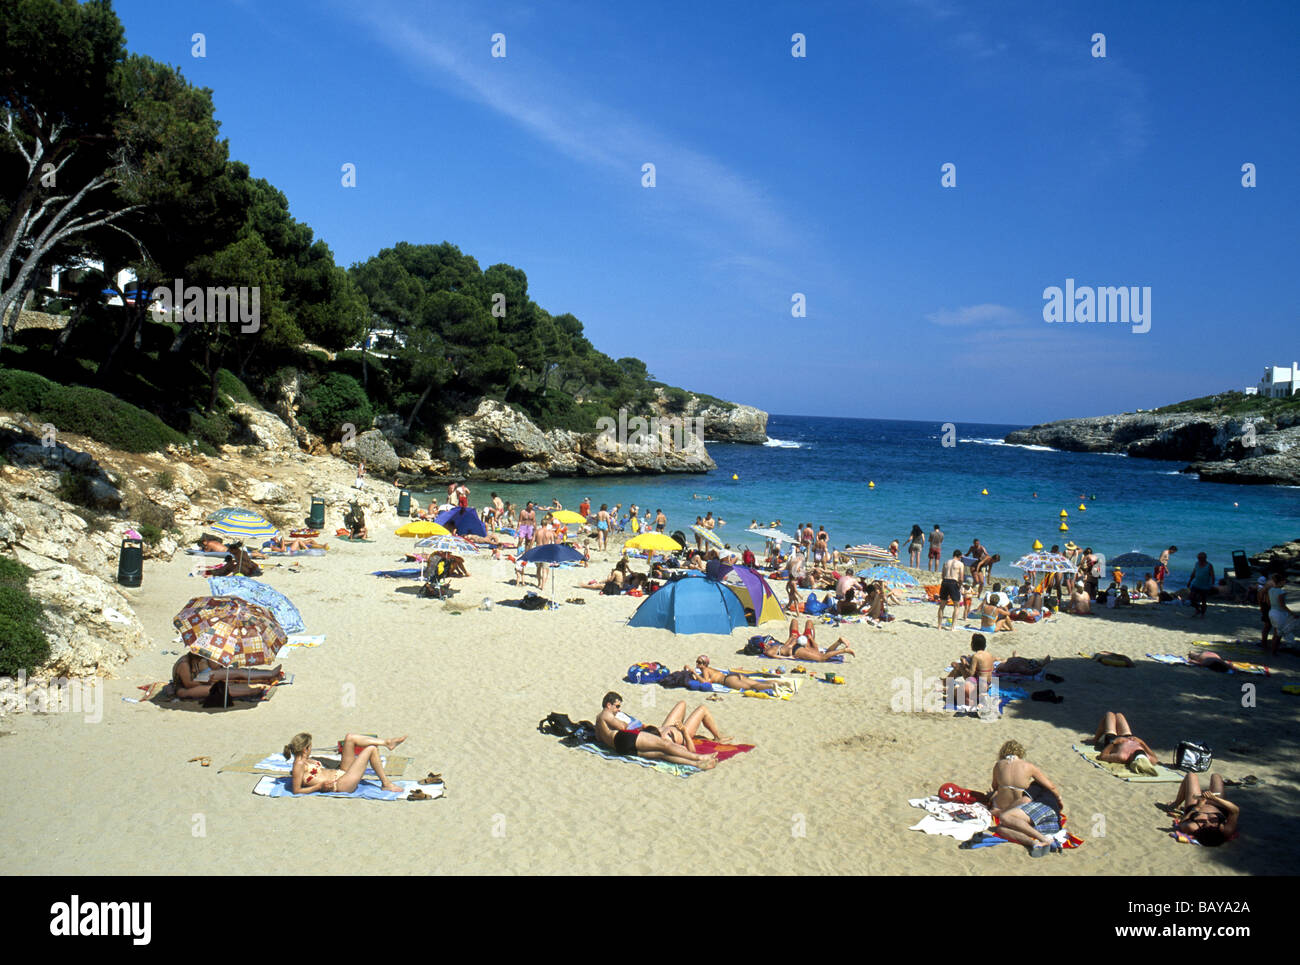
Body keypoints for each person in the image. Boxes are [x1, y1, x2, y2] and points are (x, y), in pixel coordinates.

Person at [595, 692, 717, 768]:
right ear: (608, 705)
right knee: (664, 745)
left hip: (620, 748)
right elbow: (622, 727)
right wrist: (624, 722)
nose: (619, 710)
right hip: (624, 738)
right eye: (617, 706)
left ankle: (696, 764)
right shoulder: (606, 714)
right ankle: (700, 758)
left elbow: (598, 738)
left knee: (661, 754)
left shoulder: (598, 719)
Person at [988, 740, 1066, 856]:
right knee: (1000, 829)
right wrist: (1059, 798)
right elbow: (1051, 786)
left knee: (1004, 820)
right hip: (1022, 809)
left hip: (1005, 807)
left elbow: (994, 786)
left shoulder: (998, 765)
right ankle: (1034, 843)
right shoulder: (1029, 767)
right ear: (1021, 753)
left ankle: (1042, 839)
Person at [285, 732, 406, 794]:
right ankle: (386, 784)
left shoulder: (306, 760)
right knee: (371, 749)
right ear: (305, 748)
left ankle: (386, 742)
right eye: (310, 746)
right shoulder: (299, 765)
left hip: (341, 773)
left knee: (350, 737)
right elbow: (296, 791)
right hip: (340, 785)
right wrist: (319, 787)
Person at [1163, 772, 1239, 845]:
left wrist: (1198, 807)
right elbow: (1235, 810)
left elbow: (1182, 822)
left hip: (1195, 806)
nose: (1210, 823)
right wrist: (1215, 799)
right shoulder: (1225, 830)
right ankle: (1178, 803)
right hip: (1217, 806)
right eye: (1214, 824)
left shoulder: (1193, 827)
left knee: (1191, 775)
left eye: (1205, 824)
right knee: (1216, 776)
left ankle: (1176, 804)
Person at [171, 653, 282, 700]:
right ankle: (251, 691)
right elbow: (188, 684)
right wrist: (207, 681)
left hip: (199, 679)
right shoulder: (184, 664)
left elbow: (213, 668)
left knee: (235, 672)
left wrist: (209, 669)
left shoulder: (198, 660)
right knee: (219, 689)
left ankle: (270, 673)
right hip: (184, 689)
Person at [1086, 711, 1160, 774]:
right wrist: (1142, 743)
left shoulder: (1122, 757)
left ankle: (1095, 740)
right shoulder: (1148, 759)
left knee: (1109, 714)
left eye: (1135, 754)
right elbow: (1155, 758)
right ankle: (1097, 739)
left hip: (1113, 740)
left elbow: (1102, 756)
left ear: (1132, 758)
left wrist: (1114, 743)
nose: (1138, 752)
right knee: (1119, 715)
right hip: (1129, 738)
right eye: (1141, 753)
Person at [946, 633, 994, 708]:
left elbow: (970, 675)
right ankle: (981, 700)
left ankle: (947, 683)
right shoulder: (989, 655)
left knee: (954, 692)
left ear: (973, 644)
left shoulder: (976, 656)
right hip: (987, 684)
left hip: (977, 686)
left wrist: (964, 664)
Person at [691, 655, 784, 693]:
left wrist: (695, 672)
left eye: (699, 662)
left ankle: (772, 686)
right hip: (732, 675)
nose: (697, 664)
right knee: (755, 682)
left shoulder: (705, 670)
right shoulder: (711, 668)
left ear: (704, 664)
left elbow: (706, 682)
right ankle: (782, 683)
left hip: (728, 680)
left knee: (754, 687)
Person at [1265, 571, 1294, 653]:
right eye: (1284, 581)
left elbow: (1268, 602)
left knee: (1276, 632)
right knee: (1279, 634)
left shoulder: (1271, 590)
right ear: (1281, 582)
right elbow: (1282, 605)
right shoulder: (1281, 592)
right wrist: (1292, 613)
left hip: (1272, 611)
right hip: (1279, 613)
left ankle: (1274, 650)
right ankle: (1274, 650)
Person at [937, 550, 967, 630]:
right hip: (953, 582)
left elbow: (943, 575)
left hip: (945, 581)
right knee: (956, 606)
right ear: (960, 556)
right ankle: (952, 627)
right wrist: (960, 586)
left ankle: (939, 626)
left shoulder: (946, 562)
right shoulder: (960, 564)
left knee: (942, 605)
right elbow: (961, 578)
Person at [1187, 552, 1215, 618]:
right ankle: (1197, 609)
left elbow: (1212, 576)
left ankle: (1202, 614)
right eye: (1198, 558)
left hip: (1205, 586)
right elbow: (1194, 573)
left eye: (1200, 558)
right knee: (1191, 598)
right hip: (1196, 584)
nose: (1199, 559)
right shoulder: (1196, 564)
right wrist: (1189, 581)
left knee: (1203, 601)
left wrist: (1212, 584)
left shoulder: (1209, 565)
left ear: (1204, 558)